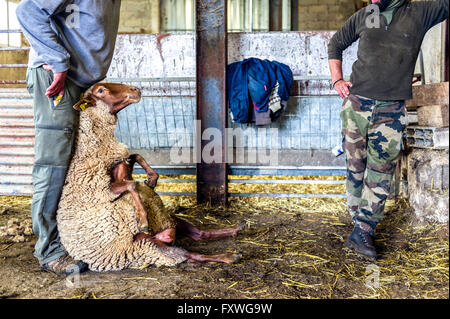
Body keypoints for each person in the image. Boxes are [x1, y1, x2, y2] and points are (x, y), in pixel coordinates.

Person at [328, 0, 448, 260]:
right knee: (355, 167)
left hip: (391, 111)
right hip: (356, 106)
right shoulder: (365, 15)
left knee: (381, 171)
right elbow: (335, 43)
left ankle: (363, 230)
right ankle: (357, 226)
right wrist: (337, 79)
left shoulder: (419, 12)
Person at [16, 0, 122, 275]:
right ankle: (49, 250)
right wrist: (58, 60)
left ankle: (72, 236)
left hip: (82, 82)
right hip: (58, 78)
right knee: (54, 163)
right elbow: (28, 11)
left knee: (78, 162)